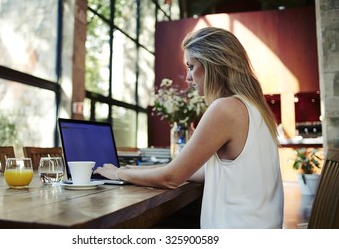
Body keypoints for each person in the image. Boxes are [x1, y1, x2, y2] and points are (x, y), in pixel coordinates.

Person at [94, 27, 284, 229]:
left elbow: (171, 178)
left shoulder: (225, 108)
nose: (188, 77)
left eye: (191, 66)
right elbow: (199, 171)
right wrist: (137, 170)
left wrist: (118, 174)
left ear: (212, 64)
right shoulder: (256, 109)